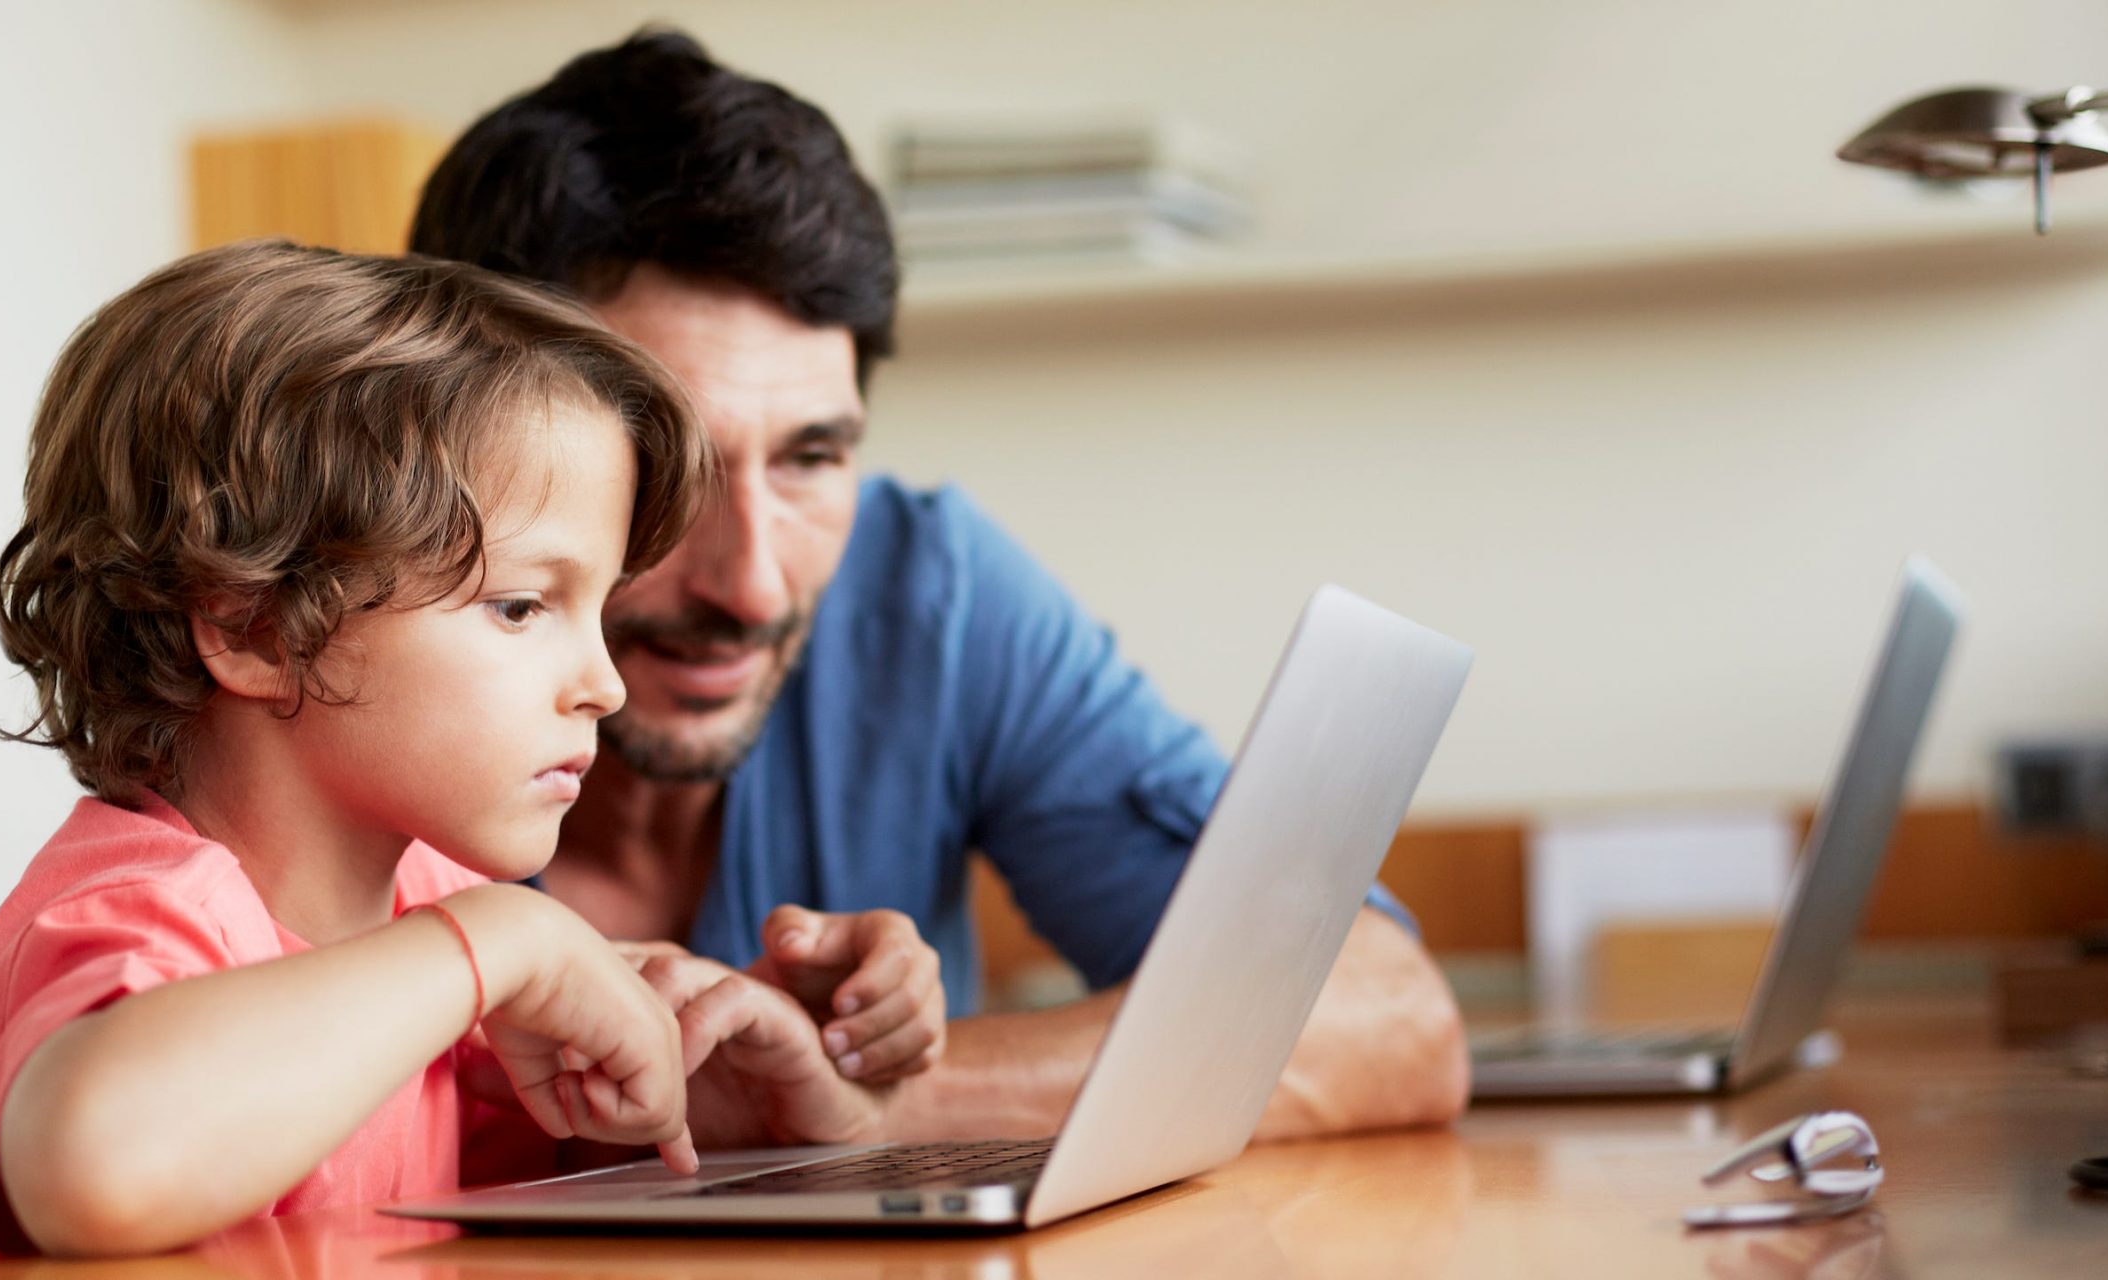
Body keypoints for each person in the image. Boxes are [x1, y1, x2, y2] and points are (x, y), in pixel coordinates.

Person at [407, 29, 1469, 1141]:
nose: (755, 582)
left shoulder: (929, 597)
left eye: (812, 457)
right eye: (665, 469)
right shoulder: (336, 660)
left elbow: (1385, 1015)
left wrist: (845, 1094)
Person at [0, 242, 911, 1270]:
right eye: (523, 604)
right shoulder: (144, 909)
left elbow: (485, 1181)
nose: (606, 683)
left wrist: (702, 1104)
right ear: (256, 627)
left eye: (600, 607)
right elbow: (95, 1163)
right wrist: (492, 941)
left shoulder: (421, 914)